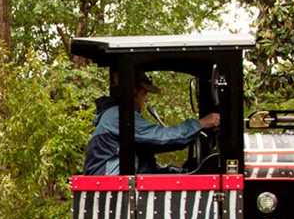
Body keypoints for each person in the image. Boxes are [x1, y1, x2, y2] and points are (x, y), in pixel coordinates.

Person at [83, 74, 220, 175]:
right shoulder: (119, 116)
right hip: (111, 191)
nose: (146, 99)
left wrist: (170, 171)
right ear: (134, 92)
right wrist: (201, 123)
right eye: (144, 93)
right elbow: (163, 137)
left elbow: (149, 151)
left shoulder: (116, 116)